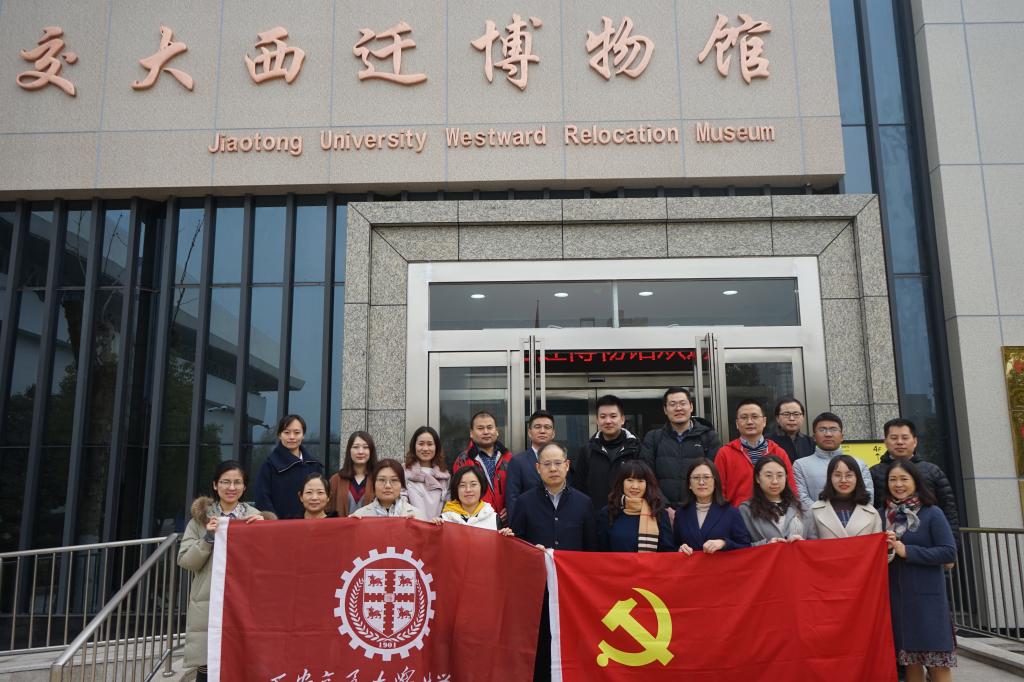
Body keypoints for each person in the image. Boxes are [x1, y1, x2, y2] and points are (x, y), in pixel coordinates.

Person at [178, 461, 269, 682]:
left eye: (237, 482)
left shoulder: (255, 518)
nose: (231, 487)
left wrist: (264, 531)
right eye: (225, 482)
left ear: (245, 487)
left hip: (243, 600)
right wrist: (207, 538)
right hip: (209, 601)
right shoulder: (200, 520)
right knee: (208, 667)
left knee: (242, 664)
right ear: (215, 485)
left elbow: (267, 563)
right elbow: (186, 561)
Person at [883, 460, 957, 681]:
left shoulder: (932, 513)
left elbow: (948, 552)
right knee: (910, 663)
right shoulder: (882, 515)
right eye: (893, 479)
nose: (898, 484)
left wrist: (907, 551)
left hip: (928, 600)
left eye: (904, 479)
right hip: (898, 600)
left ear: (916, 481)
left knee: (937, 663)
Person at [870, 418, 959, 539]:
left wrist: (952, 542)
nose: (900, 442)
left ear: (915, 441)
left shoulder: (932, 471)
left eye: (905, 438)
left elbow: (949, 511)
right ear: (885, 442)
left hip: (929, 542)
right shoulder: (874, 472)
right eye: (894, 438)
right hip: (887, 540)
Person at [640, 387, 721, 507]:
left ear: (691, 407)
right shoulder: (653, 438)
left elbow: (713, 476)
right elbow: (647, 476)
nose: (678, 408)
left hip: (698, 508)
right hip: (662, 511)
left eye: (683, 403)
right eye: (672, 404)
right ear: (665, 410)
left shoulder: (708, 437)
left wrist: (694, 507)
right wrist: (665, 507)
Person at [509, 443, 597, 551]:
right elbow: (516, 544)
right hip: (537, 562)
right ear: (538, 468)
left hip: (572, 562)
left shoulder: (583, 502)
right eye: (546, 464)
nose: (553, 469)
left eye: (558, 463)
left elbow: (591, 547)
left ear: (567, 465)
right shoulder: (524, 502)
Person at [715, 400, 796, 507]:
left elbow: (791, 488)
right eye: (744, 417)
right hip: (737, 514)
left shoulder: (778, 452)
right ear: (737, 423)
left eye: (754, 416)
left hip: (774, 513)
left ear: (764, 421)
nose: (749, 422)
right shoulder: (725, 453)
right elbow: (719, 492)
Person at [571, 394, 642, 511]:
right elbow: (578, 488)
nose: (608, 421)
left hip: (628, 515)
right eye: (603, 417)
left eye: (613, 416)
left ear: (622, 419)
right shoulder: (587, 450)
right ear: (597, 420)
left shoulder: (636, 448)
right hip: (595, 517)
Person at [793, 412, 873, 511]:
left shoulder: (859, 464)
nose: (828, 434)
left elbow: (868, 496)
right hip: (815, 519)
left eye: (833, 429)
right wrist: (824, 516)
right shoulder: (800, 465)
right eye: (822, 430)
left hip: (855, 519)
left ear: (842, 436)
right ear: (814, 437)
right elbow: (802, 498)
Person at [251, 414, 324, 519]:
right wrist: (274, 522)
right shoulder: (269, 466)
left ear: (303, 435)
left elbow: (322, 497)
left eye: (297, 432)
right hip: (281, 526)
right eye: (287, 432)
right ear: (279, 435)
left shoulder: (314, 465)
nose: (292, 437)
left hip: (311, 524)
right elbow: (262, 499)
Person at [673, 458, 751, 555]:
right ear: (689, 484)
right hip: (691, 565)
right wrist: (680, 549)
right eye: (696, 478)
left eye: (706, 477)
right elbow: (673, 546)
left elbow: (746, 547)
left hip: (721, 564)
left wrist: (724, 543)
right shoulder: (681, 514)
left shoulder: (731, 512)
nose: (701, 482)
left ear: (715, 482)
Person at [596, 460, 674, 552]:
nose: (635, 486)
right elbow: (601, 552)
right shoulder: (608, 512)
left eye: (640, 481)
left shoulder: (659, 513)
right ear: (621, 483)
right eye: (630, 480)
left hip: (650, 562)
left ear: (648, 484)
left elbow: (668, 552)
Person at [739, 455, 815, 544]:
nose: (775, 481)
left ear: (786, 477)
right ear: (757, 478)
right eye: (768, 476)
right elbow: (742, 546)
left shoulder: (801, 507)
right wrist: (766, 544)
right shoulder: (746, 510)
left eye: (780, 475)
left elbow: (814, 543)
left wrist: (802, 542)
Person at [451, 411, 513, 520]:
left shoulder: (509, 458)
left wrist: (511, 508)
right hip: (477, 521)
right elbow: (458, 493)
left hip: (507, 522)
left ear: (497, 431)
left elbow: (517, 490)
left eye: (490, 427)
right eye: (480, 428)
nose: (486, 432)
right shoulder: (463, 460)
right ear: (471, 433)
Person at [809, 454, 882, 538]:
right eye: (837, 475)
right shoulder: (815, 510)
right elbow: (809, 542)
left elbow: (878, 544)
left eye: (849, 475)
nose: (843, 480)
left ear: (857, 478)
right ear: (830, 478)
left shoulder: (871, 512)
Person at [506, 410, 556, 519]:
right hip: (529, 522)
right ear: (529, 432)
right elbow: (512, 499)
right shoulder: (517, 462)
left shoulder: (562, 461)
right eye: (537, 427)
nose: (542, 431)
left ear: (553, 433)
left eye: (547, 427)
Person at [436, 465, 513, 536]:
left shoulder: (493, 518)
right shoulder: (445, 519)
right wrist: (434, 529)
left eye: (473, 484)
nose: (468, 490)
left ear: (481, 486)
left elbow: (498, 545)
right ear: (456, 489)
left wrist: (506, 538)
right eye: (462, 485)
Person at [351, 459, 426, 519]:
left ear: (402, 485)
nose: (388, 486)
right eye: (381, 480)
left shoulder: (417, 516)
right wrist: (351, 524)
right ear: (374, 484)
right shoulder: (360, 515)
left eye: (394, 480)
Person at [404, 426, 450, 519]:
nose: (425, 448)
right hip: (412, 524)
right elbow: (400, 503)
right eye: (421, 444)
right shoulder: (403, 471)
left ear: (436, 447)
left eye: (430, 444)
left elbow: (449, 506)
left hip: (438, 525)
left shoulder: (445, 476)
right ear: (414, 446)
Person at [327, 431, 376, 516]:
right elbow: (328, 509)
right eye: (356, 447)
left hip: (371, 524)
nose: (360, 451)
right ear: (349, 450)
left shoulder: (378, 479)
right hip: (342, 524)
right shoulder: (336, 480)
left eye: (365, 447)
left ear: (371, 451)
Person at [766, 396, 815, 464]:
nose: (792, 418)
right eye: (786, 414)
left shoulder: (810, 442)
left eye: (796, 414)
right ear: (777, 418)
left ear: (803, 417)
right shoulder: (767, 441)